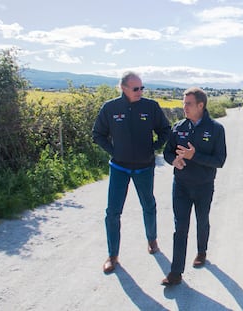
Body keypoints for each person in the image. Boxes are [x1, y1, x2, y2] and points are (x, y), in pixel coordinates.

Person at [92, 71, 170, 274]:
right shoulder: (110, 108)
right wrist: (114, 151)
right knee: (112, 213)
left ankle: (152, 241)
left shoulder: (150, 106)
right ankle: (112, 256)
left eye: (142, 88)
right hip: (119, 168)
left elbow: (165, 129)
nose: (140, 92)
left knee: (149, 205)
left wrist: (154, 147)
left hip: (144, 167)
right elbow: (98, 134)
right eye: (136, 88)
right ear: (123, 88)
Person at [161, 87, 227, 285]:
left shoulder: (216, 129)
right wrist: (174, 160)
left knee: (202, 220)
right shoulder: (179, 126)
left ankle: (201, 252)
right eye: (183, 103)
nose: (184, 107)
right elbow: (167, 153)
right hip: (180, 185)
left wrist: (194, 156)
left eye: (188, 103)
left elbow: (219, 160)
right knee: (180, 227)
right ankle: (175, 272)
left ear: (201, 105)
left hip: (204, 185)